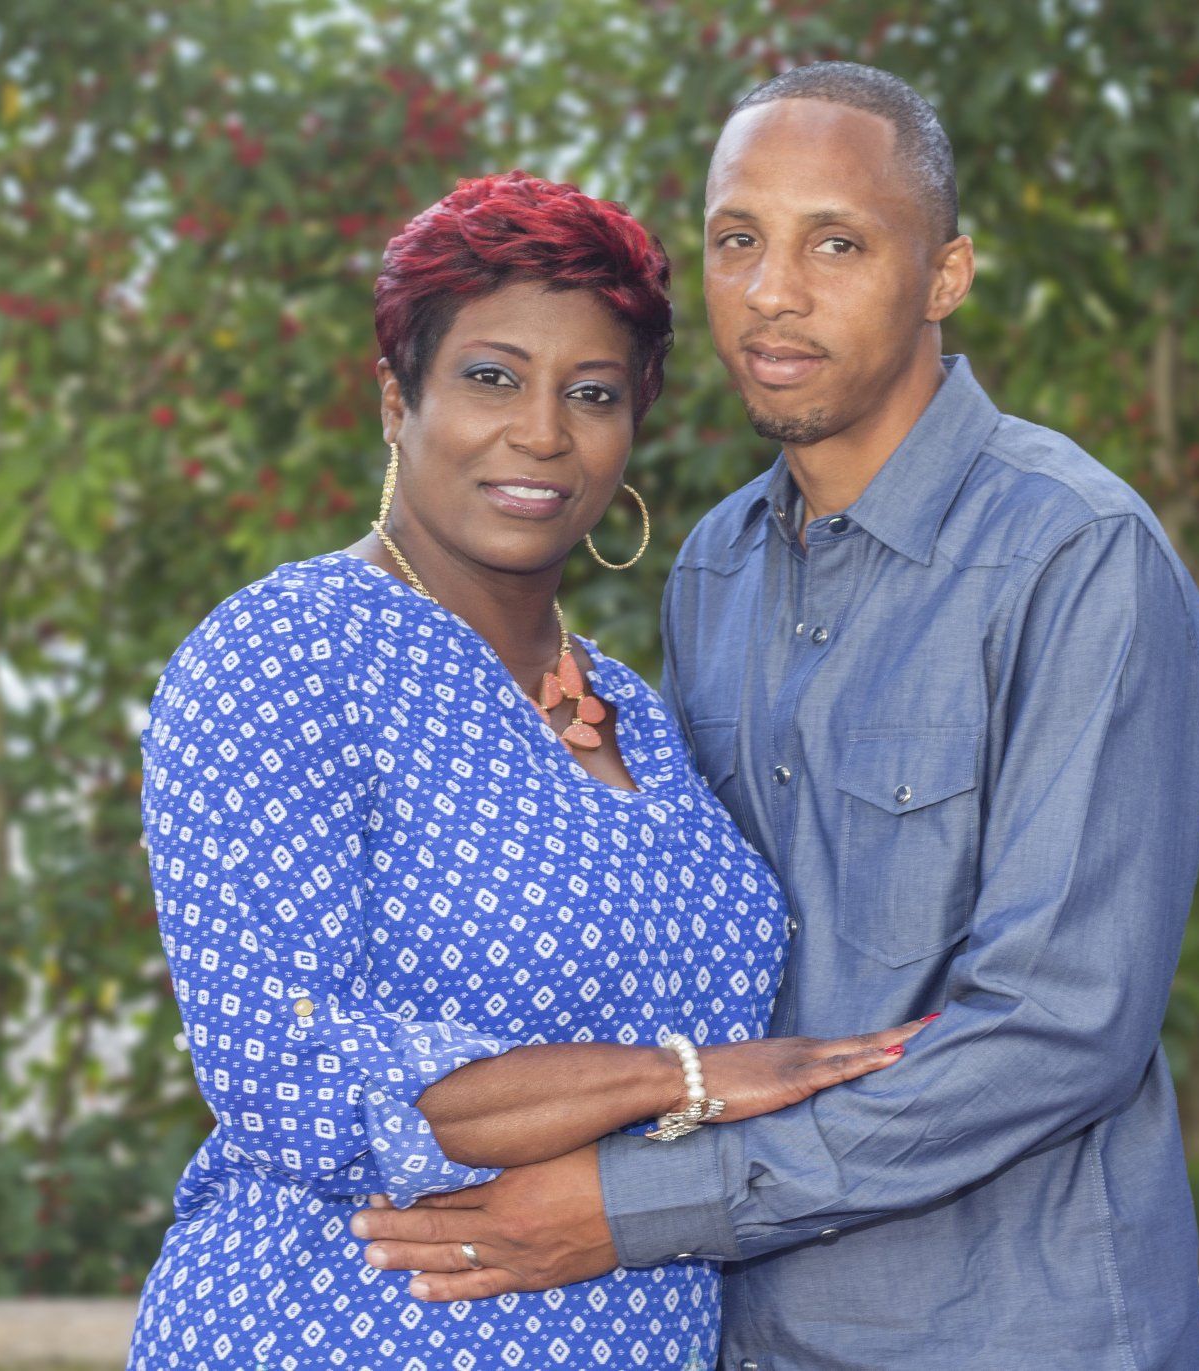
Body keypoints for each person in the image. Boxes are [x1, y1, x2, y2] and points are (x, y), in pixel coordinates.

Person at [351, 64, 1199, 1370]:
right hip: (746, 1333)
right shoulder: (716, 569)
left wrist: (632, 1205)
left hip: (1009, 1331)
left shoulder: (1075, 552)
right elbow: (686, 944)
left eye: (837, 242)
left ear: (946, 273)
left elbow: (1061, 1029)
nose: (773, 290)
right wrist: (574, 751)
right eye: (738, 240)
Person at [125, 169, 928, 1371]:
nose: (543, 433)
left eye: (592, 394)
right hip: (345, 1333)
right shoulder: (283, 659)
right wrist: (684, 1079)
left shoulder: (641, 716)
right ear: (397, 399)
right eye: (492, 378)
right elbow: (290, 1079)